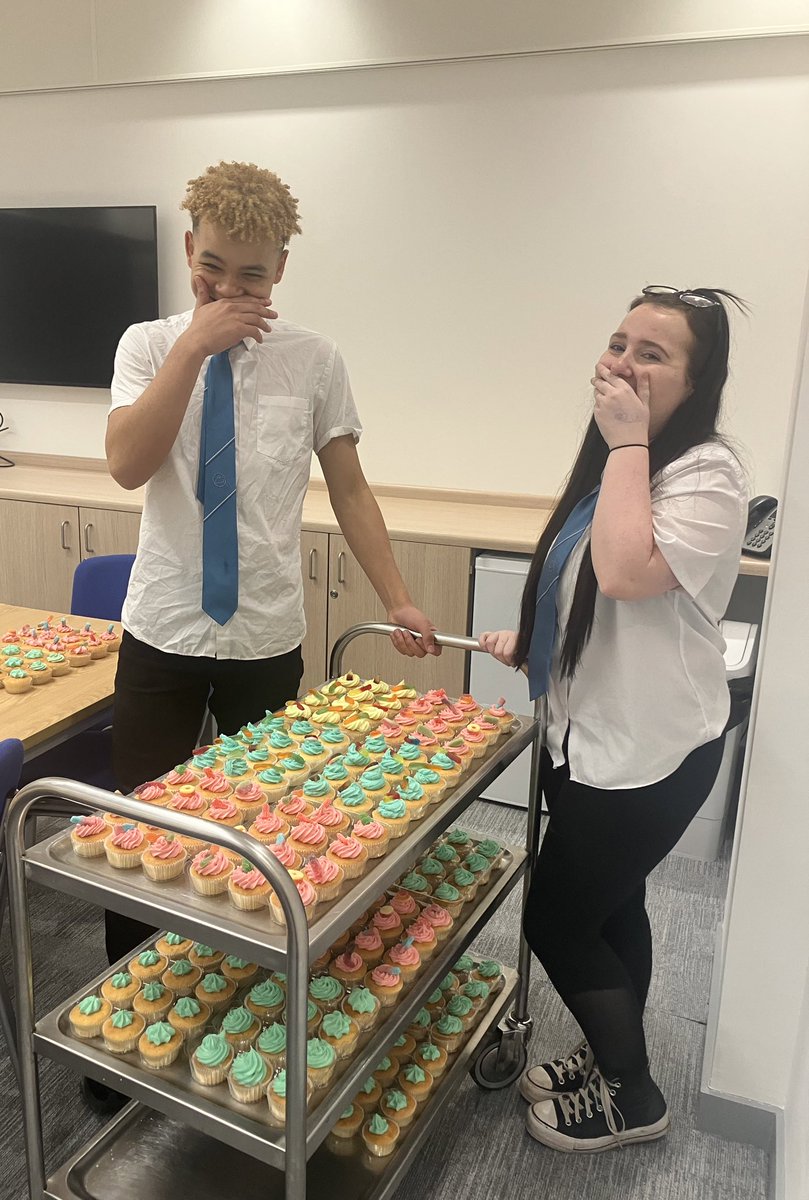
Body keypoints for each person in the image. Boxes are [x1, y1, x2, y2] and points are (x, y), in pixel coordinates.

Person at [102, 163, 437, 963]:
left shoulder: (315, 360)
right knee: (138, 820)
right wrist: (193, 348)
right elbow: (126, 463)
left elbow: (350, 490)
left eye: (251, 274)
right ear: (189, 249)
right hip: (162, 625)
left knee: (265, 826)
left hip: (263, 633)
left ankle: (245, 985)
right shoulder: (147, 346)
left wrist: (396, 596)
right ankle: (124, 995)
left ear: (280, 268)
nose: (228, 287)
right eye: (211, 267)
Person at [480, 285, 748, 1153]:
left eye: (652, 353)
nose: (622, 363)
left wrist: (626, 440)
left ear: (693, 384)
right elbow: (583, 571)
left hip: (650, 757)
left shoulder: (705, 471)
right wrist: (535, 637)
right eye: (617, 342)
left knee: (555, 919)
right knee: (610, 907)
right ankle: (608, 1056)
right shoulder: (617, 460)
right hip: (586, 739)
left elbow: (630, 572)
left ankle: (632, 1097)